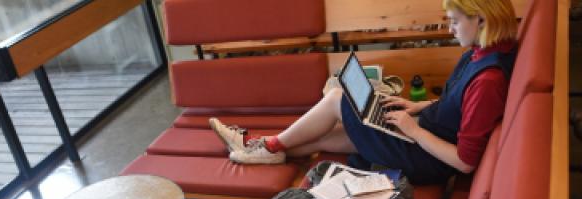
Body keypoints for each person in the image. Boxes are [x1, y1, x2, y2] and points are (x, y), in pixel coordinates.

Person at [210, 0, 518, 184]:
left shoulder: (488, 80)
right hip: (421, 134)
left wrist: (413, 128)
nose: (450, 28)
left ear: (480, 18)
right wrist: (417, 106)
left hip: (428, 160)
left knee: (337, 99)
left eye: (454, 21)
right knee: (340, 132)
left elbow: (465, 162)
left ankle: (270, 145)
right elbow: (459, 105)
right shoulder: (484, 52)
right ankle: (264, 150)